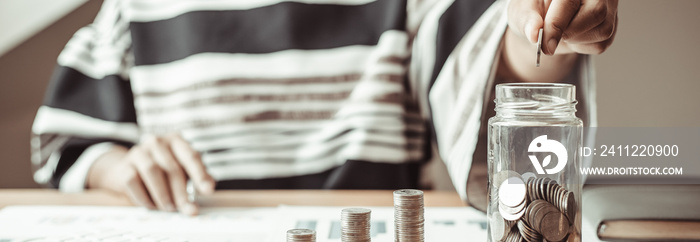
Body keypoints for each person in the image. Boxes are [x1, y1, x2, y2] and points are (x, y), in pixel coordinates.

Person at [31, 0, 617, 215]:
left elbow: (488, 68)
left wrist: (542, 27)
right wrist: (120, 164)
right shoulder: (136, 11)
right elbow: (67, 143)